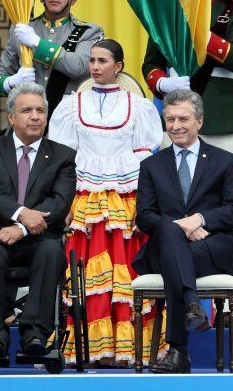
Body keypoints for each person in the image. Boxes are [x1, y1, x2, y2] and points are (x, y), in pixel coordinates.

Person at [142, 0, 233, 311]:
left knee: (226, 215)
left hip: (219, 115)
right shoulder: (166, 11)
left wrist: (199, 31)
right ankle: (176, 298)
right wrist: (163, 85)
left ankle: (230, 307)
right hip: (177, 115)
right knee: (171, 205)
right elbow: (149, 65)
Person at [49, 39, 163, 365]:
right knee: (83, 269)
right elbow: (63, 156)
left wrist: (145, 202)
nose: (95, 66)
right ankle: (87, 346)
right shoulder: (71, 105)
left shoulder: (137, 105)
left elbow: (144, 153)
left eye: (102, 61)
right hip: (83, 194)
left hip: (125, 194)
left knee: (123, 270)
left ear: (119, 66)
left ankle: (125, 348)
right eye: (93, 61)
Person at [132, 90, 233, 374]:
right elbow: (145, 216)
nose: (176, 126)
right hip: (165, 247)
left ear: (200, 122)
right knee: (170, 235)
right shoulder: (151, 165)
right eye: (169, 119)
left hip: (209, 249)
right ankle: (192, 304)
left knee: (174, 254)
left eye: (183, 118)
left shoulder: (223, 160)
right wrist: (180, 227)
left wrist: (199, 219)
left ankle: (179, 352)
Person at [0, 83, 76, 359]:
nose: (35, 116)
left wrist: (23, 227)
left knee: (52, 251)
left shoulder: (63, 156)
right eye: (27, 110)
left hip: (38, 240)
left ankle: (35, 335)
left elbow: (60, 202)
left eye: (40, 110)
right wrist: (19, 213)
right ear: (11, 116)